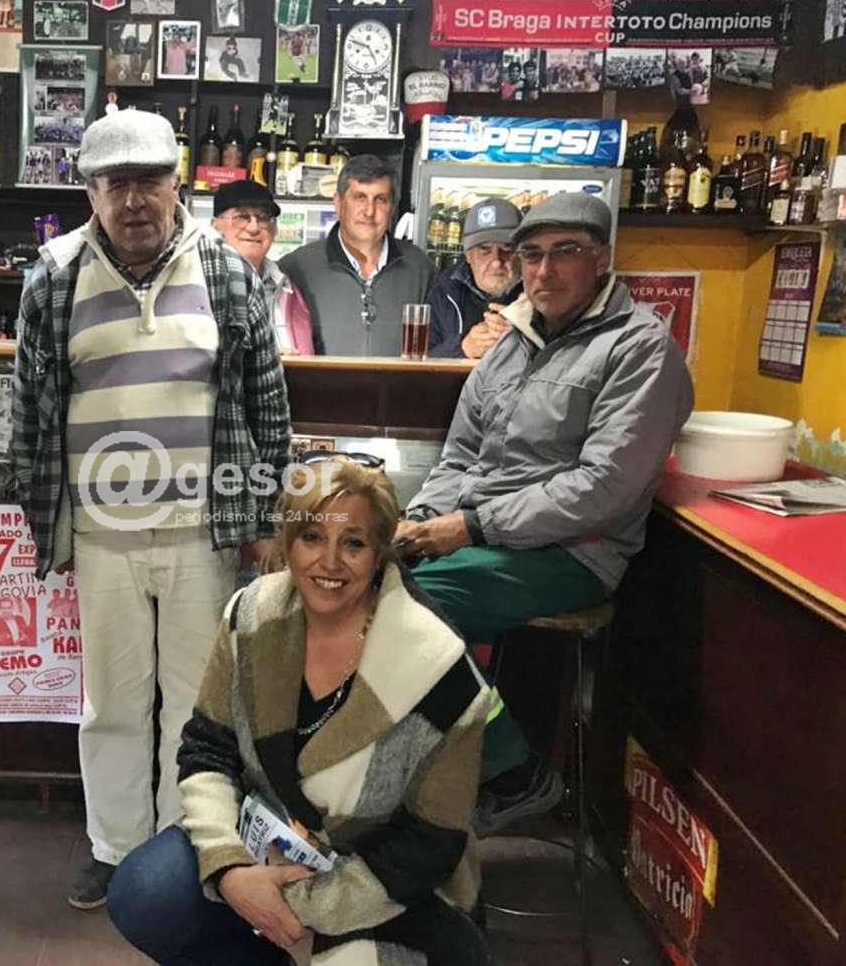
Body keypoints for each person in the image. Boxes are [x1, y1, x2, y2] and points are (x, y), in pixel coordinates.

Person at [11, 108, 292, 910]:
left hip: (205, 531)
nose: (135, 199)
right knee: (112, 702)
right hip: (101, 534)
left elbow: (267, 403)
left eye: (151, 181)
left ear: (177, 185)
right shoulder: (54, 276)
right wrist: (50, 526)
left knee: (197, 706)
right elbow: (29, 413)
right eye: (116, 183)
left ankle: (183, 845)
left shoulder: (226, 270)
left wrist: (261, 517)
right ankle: (114, 844)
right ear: (90, 193)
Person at [107, 457, 491, 965]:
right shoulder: (250, 614)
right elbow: (208, 749)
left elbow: (431, 844)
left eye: (353, 543)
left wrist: (298, 904)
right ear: (288, 542)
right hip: (263, 845)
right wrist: (229, 869)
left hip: (384, 884)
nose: (329, 562)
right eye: (312, 537)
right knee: (144, 893)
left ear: (380, 552)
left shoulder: (442, 670)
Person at [395, 193, 694, 836]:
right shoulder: (511, 342)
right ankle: (427, 775)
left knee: (399, 604)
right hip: (489, 539)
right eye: (531, 255)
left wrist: (471, 526)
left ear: (602, 259)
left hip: (574, 552)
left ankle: (513, 770)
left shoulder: (640, 348)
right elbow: (460, 455)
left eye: (566, 253)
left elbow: (603, 487)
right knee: (366, 579)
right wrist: (417, 520)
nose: (543, 270)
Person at [279, 155, 435, 357]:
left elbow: (439, 347)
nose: (369, 211)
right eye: (360, 197)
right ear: (338, 203)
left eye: (380, 199)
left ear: (392, 207)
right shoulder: (296, 269)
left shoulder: (421, 269)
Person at [210, 179, 317, 355]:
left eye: (263, 218)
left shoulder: (287, 288)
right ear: (216, 226)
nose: (253, 228)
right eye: (241, 217)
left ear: (275, 229)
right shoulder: (204, 283)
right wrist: (267, 359)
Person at [428, 197, 524, 358]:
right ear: (468, 255)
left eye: (507, 247)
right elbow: (420, 362)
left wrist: (526, 336)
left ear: (521, 253)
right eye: (485, 249)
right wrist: (463, 348)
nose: (496, 262)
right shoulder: (444, 291)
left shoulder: (542, 292)